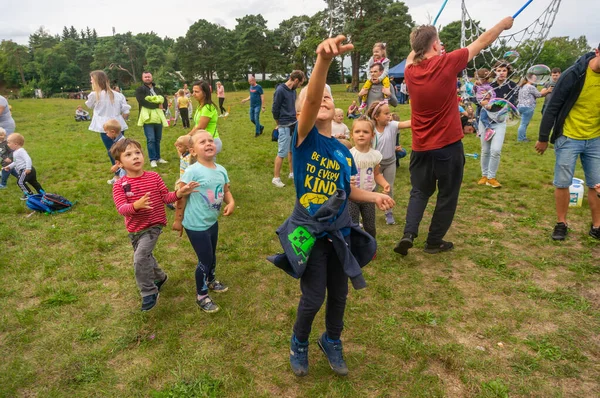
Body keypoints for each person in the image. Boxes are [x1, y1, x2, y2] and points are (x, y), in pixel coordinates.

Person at [268, 35, 395, 378]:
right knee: (312, 298)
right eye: (316, 96)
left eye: (328, 95)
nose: (322, 98)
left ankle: (332, 340)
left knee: (339, 294)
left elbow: (349, 192)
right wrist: (322, 61)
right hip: (309, 231)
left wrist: (375, 197)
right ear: (301, 109)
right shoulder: (302, 137)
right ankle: (299, 342)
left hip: (339, 231)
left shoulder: (343, 152)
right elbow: (311, 99)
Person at [394, 16, 514, 256]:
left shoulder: (410, 72)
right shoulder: (446, 63)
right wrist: (502, 24)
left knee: (419, 191)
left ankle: (408, 233)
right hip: (447, 146)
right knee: (447, 195)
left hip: (420, 146)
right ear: (436, 44)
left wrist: (420, 42)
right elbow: (482, 41)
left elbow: (412, 55)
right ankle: (434, 241)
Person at [111, 138, 199, 311]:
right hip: (135, 228)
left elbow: (166, 197)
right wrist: (136, 206)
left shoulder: (154, 177)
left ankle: (149, 292)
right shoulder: (120, 185)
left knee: (140, 258)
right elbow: (122, 208)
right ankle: (160, 277)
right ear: (120, 163)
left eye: (137, 152)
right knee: (146, 256)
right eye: (128, 155)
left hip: (153, 225)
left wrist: (179, 192)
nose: (135, 157)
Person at [535, 45, 600, 241]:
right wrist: (543, 138)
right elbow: (552, 107)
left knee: (596, 184)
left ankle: (597, 226)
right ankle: (561, 223)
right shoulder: (574, 74)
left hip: (595, 138)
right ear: (597, 51)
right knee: (563, 182)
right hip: (569, 137)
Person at [172, 132, 235, 313]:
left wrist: (231, 202)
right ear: (192, 151)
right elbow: (181, 197)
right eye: (202, 142)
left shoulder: (221, 169)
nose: (208, 143)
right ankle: (202, 295)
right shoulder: (192, 171)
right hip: (195, 225)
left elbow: (226, 191)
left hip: (211, 222)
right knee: (205, 259)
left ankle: (211, 280)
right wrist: (178, 220)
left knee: (212, 255)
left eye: (210, 141)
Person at [368, 100, 410, 225]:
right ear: (376, 116)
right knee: (371, 188)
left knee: (388, 187)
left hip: (390, 162)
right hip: (375, 164)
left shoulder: (391, 125)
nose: (389, 115)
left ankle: (389, 212)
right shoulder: (370, 128)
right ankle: (367, 213)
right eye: (386, 113)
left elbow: (406, 123)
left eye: (389, 113)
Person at [478, 60, 518, 188]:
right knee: (485, 150)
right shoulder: (490, 85)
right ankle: (484, 176)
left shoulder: (512, 86)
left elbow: (513, 103)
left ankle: (492, 177)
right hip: (486, 122)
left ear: (508, 72)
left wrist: (503, 107)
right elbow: (480, 100)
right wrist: (486, 104)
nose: (501, 73)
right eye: (499, 70)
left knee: (495, 150)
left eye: (504, 70)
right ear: (494, 71)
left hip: (500, 122)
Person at [349, 116, 390, 238]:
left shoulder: (375, 155)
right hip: (352, 197)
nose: (361, 134)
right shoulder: (349, 154)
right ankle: (354, 249)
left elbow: (376, 174)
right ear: (352, 135)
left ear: (372, 135)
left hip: (370, 196)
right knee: (353, 224)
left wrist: (384, 184)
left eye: (365, 132)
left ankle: (371, 246)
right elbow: (342, 175)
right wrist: (346, 179)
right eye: (357, 131)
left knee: (370, 226)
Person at [271, 70, 305, 188]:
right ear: (296, 80)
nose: (299, 86)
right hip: (284, 125)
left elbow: (295, 107)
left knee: (292, 150)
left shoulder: (293, 91)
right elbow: (275, 109)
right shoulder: (280, 90)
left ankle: (292, 173)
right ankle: (276, 178)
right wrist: (279, 123)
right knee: (282, 152)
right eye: (300, 83)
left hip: (293, 124)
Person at [135, 71, 169, 168]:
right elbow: (143, 101)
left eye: (149, 76)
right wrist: (157, 105)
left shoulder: (158, 89)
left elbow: (164, 100)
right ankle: (152, 159)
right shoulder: (140, 90)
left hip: (158, 118)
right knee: (151, 139)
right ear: (142, 78)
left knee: (158, 139)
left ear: (152, 77)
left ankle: (158, 157)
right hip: (148, 118)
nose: (147, 78)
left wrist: (164, 108)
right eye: (145, 77)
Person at [3, 133, 45, 200]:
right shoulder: (15, 152)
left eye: (9, 143)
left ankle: (29, 194)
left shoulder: (21, 151)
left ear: (16, 144)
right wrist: (9, 166)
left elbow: (28, 159)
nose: (8, 144)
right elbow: (16, 162)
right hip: (28, 170)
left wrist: (28, 168)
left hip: (25, 170)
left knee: (20, 182)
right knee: (33, 182)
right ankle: (42, 193)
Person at [189, 80, 222, 155]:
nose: (193, 94)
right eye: (193, 91)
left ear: (204, 93)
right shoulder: (200, 106)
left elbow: (200, 127)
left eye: (196, 92)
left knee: (207, 166)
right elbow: (197, 125)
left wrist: (187, 138)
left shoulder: (208, 107)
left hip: (211, 142)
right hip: (203, 141)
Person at [359, 43, 391, 110]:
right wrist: (360, 95)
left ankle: (386, 99)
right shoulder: (372, 59)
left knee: (386, 81)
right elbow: (367, 69)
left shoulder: (386, 61)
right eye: (374, 52)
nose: (375, 54)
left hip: (383, 78)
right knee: (365, 86)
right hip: (369, 114)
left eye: (377, 52)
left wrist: (380, 78)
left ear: (382, 52)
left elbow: (386, 71)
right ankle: (363, 102)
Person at [517, 76, 542, 142]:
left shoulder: (522, 86)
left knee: (524, 123)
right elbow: (539, 95)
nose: (535, 79)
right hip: (528, 107)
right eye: (534, 78)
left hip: (520, 106)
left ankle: (523, 137)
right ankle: (521, 139)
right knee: (523, 124)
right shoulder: (531, 87)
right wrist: (547, 90)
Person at [103, 119, 127, 184]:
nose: (106, 135)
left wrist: (116, 166)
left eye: (107, 133)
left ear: (113, 132)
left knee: (125, 181)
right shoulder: (119, 140)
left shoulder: (121, 143)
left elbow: (122, 157)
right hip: (123, 167)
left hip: (125, 168)